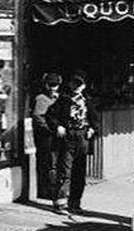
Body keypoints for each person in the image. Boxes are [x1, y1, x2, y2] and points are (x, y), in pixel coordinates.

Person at [46, 71, 99, 215]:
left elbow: (95, 119)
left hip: (82, 137)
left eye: (79, 84)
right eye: (74, 83)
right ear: (70, 85)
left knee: (79, 172)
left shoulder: (88, 101)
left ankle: (75, 203)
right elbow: (50, 116)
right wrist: (58, 126)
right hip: (68, 137)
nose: (76, 87)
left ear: (84, 86)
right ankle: (60, 204)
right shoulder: (63, 100)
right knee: (65, 171)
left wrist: (93, 129)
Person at [31, 72, 62, 200]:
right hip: (46, 135)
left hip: (57, 134)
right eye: (50, 85)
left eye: (55, 85)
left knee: (55, 162)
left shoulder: (59, 97)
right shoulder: (41, 98)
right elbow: (38, 116)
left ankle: (54, 188)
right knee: (47, 162)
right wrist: (49, 128)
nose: (53, 88)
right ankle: (46, 190)